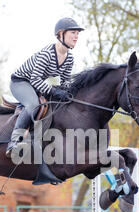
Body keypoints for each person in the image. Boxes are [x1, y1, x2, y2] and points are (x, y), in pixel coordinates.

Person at [5, 17, 84, 158]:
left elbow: (65, 81)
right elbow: (35, 79)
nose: (76, 36)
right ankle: (14, 141)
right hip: (20, 82)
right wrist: (55, 91)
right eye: (73, 32)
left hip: (35, 85)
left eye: (78, 33)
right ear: (61, 34)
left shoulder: (69, 58)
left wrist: (70, 93)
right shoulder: (47, 54)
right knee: (33, 104)